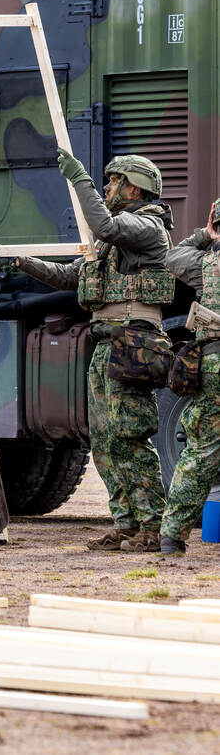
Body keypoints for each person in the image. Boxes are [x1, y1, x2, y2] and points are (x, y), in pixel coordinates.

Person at [0, 152, 173, 552]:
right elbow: (69, 277)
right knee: (105, 442)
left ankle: (152, 526)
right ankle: (125, 525)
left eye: (112, 181)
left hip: (132, 344)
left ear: (134, 187)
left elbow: (102, 224)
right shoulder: (112, 246)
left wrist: (80, 180)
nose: (106, 189)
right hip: (107, 344)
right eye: (103, 183)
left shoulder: (147, 227)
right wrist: (19, 261)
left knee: (129, 438)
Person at [159, 199, 220, 554]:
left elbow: (172, 256)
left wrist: (204, 234)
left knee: (200, 452)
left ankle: (172, 535)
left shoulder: (205, 264)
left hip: (212, 366)